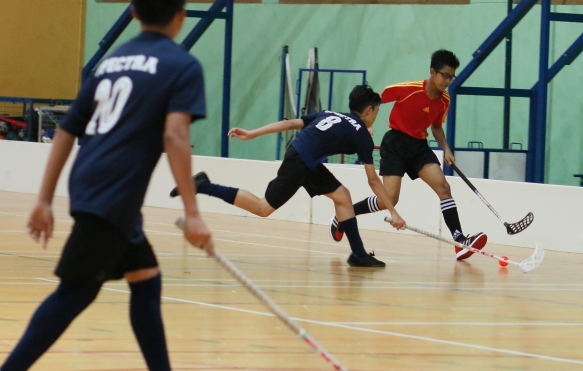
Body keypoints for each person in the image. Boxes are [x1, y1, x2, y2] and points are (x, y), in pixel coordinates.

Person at [0, 0, 215, 371]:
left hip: (93, 186)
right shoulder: (182, 65)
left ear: (132, 10)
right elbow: (175, 137)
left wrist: (44, 198)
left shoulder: (112, 62)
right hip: (116, 196)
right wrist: (193, 212)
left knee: (146, 281)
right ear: (182, 14)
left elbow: (66, 129)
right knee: (76, 291)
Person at [170, 84, 406, 267]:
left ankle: (358, 254)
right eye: (376, 111)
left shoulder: (330, 114)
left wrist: (253, 133)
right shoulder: (362, 135)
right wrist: (393, 212)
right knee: (263, 208)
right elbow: (373, 180)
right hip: (302, 161)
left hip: (303, 155)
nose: (376, 117)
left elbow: (292, 123)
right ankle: (202, 185)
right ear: (369, 110)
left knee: (342, 195)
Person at [330, 50, 487, 261]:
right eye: (444, 75)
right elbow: (373, 102)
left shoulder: (444, 100)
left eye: (452, 77)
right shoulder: (408, 89)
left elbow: (436, 127)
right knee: (390, 199)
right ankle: (345, 214)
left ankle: (459, 241)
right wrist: (363, 125)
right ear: (432, 72)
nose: (448, 81)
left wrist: (446, 149)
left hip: (419, 147)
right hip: (395, 143)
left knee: (443, 187)